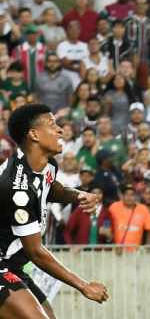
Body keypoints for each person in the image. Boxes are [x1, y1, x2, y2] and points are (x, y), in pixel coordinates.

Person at [0, 103, 109, 318]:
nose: (60, 129)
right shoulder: (16, 188)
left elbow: (52, 187)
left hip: (14, 264)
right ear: (34, 135)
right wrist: (83, 286)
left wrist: (77, 195)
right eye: (52, 124)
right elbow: (36, 253)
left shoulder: (46, 164)